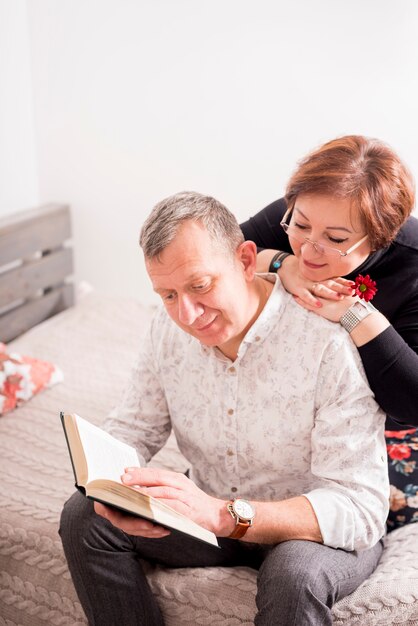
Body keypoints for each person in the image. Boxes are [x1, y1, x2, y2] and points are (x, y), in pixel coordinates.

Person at [60, 191, 389, 626]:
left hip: (307, 534)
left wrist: (223, 515)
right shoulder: (167, 327)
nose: (188, 314)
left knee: (294, 574)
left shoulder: (326, 342)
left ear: (245, 259)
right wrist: (109, 487)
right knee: (83, 514)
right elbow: (135, 425)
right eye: (168, 295)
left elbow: (359, 507)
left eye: (200, 286)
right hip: (211, 514)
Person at [240, 134, 418, 528]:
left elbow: (412, 402)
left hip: (380, 434)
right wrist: (278, 263)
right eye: (299, 225)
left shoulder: (413, 266)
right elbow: (221, 258)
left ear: (380, 235)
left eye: (335, 240)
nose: (308, 248)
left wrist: (355, 316)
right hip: (291, 413)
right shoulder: (302, 216)